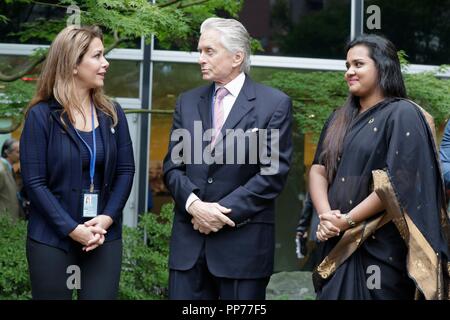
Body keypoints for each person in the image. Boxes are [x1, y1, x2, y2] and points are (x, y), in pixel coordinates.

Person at [309, 34, 450, 300]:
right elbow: (319, 168)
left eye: (358, 64)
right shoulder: (338, 118)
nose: (350, 72)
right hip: (335, 242)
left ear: (383, 66)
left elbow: (400, 180)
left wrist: (348, 220)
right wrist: (327, 217)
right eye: (347, 66)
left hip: (379, 247)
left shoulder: (403, 114)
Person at [163, 17, 292, 300]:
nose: (201, 59)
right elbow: (173, 167)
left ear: (237, 57)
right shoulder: (186, 102)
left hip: (243, 251)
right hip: (189, 250)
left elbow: (271, 174)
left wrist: (217, 214)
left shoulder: (274, 104)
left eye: (209, 51)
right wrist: (195, 206)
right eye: (200, 51)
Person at [20, 25, 135, 300]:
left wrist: (106, 220)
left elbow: (125, 170)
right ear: (73, 64)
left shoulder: (112, 114)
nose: (105, 63)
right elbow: (35, 184)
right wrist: (73, 229)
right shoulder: (41, 117)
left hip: (102, 237)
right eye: (97, 56)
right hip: (51, 239)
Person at [0, 138, 21, 221]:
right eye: (18, 152)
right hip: (4, 223)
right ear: (7, 152)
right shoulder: (1, 171)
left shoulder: (9, 169)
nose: (21, 155)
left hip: (9, 222)